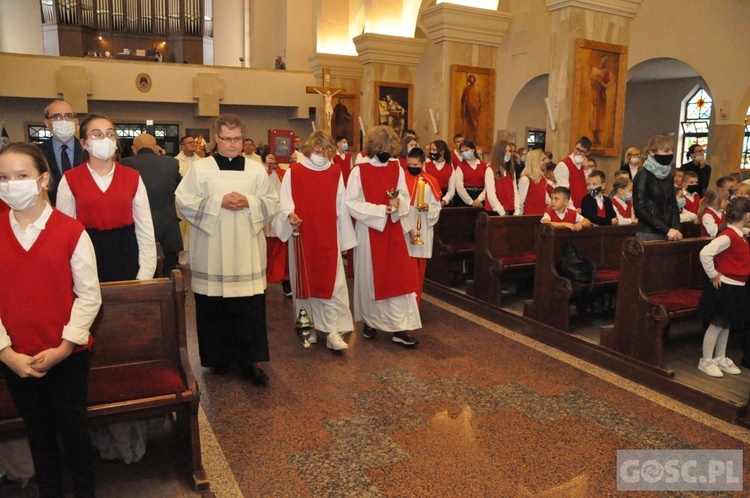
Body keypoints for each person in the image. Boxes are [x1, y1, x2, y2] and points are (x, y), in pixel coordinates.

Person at [0, 142, 102, 497]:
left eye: (21, 176)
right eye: (3, 177)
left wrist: (63, 347)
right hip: (17, 358)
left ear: (43, 180)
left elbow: (89, 295)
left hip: (66, 355)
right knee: (38, 434)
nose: (12, 184)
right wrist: (6, 353)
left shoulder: (71, 231)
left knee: (74, 432)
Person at [176, 114, 279, 384]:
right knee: (214, 306)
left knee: (248, 307)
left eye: (237, 139)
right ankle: (217, 357)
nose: (233, 144)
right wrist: (218, 202)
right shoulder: (200, 169)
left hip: (246, 250)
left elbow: (271, 201)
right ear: (216, 139)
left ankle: (250, 361)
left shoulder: (256, 169)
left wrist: (250, 201)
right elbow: (183, 201)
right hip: (213, 250)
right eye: (227, 139)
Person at [273, 131, 356, 351]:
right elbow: (284, 203)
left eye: (324, 151)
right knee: (304, 283)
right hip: (302, 234)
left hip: (328, 235)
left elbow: (342, 205)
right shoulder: (295, 172)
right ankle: (307, 327)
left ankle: (332, 331)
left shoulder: (335, 172)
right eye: (317, 150)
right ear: (310, 150)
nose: (320, 155)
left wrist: (345, 239)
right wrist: (289, 216)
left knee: (331, 284)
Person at [56, 115, 157, 282]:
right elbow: (65, 233)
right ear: (83, 143)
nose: (105, 139)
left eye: (110, 134)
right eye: (97, 134)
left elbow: (145, 228)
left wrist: (145, 273)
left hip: (126, 253)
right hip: (87, 255)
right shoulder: (70, 179)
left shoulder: (132, 177)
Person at [345, 125, 421, 346]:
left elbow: (405, 196)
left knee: (400, 277)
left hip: (394, 228)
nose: (386, 151)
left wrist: (398, 206)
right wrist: (381, 210)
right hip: (370, 230)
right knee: (371, 278)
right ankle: (371, 321)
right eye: (382, 147)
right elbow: (352, 203)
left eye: (390, 147)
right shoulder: (359, 170)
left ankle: (401, 327)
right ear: (373, 147)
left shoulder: (397, 168)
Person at [695, 197, 750, 377]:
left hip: (737, 286)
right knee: (717, 325)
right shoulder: (728, 236)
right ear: (747, 215)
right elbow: (705, 253)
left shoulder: (738, 234)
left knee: (726, 324)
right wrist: (712, 274)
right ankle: (706, 360)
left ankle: (720, 357)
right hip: (725, 286)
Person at [119, 133, 183, 276]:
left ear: (134, 148)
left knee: (141, 277)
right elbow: (181, 187)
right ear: (156, 147)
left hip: (137, 230)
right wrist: (163, 157)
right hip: (167, 229)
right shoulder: (171, 163)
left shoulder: (125, 164)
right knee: (169, 277)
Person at [403, 147, 442, 306]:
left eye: (415, 164)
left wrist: (429, 208)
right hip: (404, 230)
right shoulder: (401, 179)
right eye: (409, 164)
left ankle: (415, 307)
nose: (412, 167)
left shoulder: (430, 181)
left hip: (422, 229)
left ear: (422, 163)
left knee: (418, 275)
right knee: (404, 274)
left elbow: (437, 207)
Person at [633, 135, 682, 242]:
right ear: (652, 152)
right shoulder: (643, 175)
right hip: (649, 233)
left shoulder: (668, 175)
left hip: (669, 232)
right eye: (666, 151)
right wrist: (666, 230)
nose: (670, 154)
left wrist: (675, 228)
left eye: (671, 151)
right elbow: (640, 209)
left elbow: (673, 205)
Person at [37, 100, 83, 205]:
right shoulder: (37, 153)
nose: (64, 121)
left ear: (75, 122)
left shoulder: (88, 150)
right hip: (51, 212)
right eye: (57, 117)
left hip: (84, 214)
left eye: (68, 116)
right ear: (48, 123)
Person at [262, 150, 292, 297]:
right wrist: (265, 165)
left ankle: (286, 282)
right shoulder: (260, 171)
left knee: (283, 253)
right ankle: (261, 283)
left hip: (281, 215)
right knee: (264, 251)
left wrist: (294, 163)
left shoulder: (286, 172)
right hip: (265, 218)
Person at [444, 139, 487, 208]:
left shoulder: (484, 166)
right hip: (465, 199)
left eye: (466, 150)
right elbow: (459, 187)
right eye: (462, 151)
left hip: (481, 198)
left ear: (473, 149)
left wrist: (479, 199)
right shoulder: (460, 167)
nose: (464, 153)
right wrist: (471, 202)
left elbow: (488, 185)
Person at [553, 136, 591, 210]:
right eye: (577, 149)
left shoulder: (585, 165)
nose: (578, 153)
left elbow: (590, 185)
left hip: (583, 206)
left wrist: (587, 169)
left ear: (587, 152)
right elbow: (564, 191)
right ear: (574, 146)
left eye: (582, 151)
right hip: (569, 207)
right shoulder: (564, 164)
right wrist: (572, 209)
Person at [484, 140, 519, 216]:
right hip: (495, 212)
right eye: (505, 151)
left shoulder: (511, 171)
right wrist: (501, 212)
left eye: (510, 151)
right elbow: (491, 195)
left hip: (510, 210)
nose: (508, 154)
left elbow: (515, 192)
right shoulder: (490, 170)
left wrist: (517, 210)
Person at [517, 149, 550, 215]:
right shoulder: (525, 179)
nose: (546, 162)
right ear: (535, 162)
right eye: (543, 160)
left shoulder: (543, 179)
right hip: (529, 218)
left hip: (541, 216)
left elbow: (546, 199)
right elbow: (520, 203)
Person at [589, 53, 610, 145]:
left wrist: (602, 82)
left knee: (600, 117)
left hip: (602, 95)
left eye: (607, 60)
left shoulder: (606, 71)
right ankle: (594, 137)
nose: (605, 62)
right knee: (594, 116)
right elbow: (592, 80)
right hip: (595, 94)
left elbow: (607, 84)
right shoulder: (594, 69)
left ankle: (599, 138)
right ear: (601, 59)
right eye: (604, 59)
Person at [460, 74, 482, 141]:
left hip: (475, 110)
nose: (471, 80)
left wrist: (478, 107)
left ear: (474, 79)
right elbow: (463, 99)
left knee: (475, 124)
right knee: (468, 124)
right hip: (468, 108)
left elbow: (480, 100)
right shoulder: (466, 88)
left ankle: (475, 137)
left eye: (472, 78)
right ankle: (467, 137)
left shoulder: (478, 88)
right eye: (470, 78)